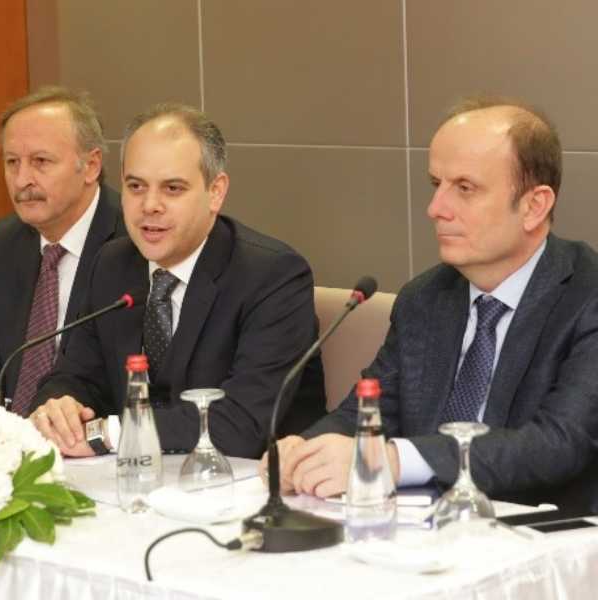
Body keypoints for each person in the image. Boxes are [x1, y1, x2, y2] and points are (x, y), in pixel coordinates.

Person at [269, 97, 598, 514]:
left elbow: (558, 443)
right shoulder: (425, 297)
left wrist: (393, 460)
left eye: (465, 188)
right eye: (436, 184)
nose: (436, 209)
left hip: (546, 534)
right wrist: (305, 451)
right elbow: (370, 412)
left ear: (534, 206)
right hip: (422, 527)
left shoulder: (586, 294)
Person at [30, 103, 327, 458]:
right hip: (137, 478)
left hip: (249, 479)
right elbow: (76, 375)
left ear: (215, 192)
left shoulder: (272, 277)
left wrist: (110, 433)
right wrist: (59, 407)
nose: (149, 205)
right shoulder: (112, 264)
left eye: (172, 188)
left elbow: (242, 424)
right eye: (136, 186)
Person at [0, 87, 124, 413]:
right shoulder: (5, 242)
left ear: (91, 165)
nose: (22, 180)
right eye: (12, 162)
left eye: (40, 161)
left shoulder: (131, 242)